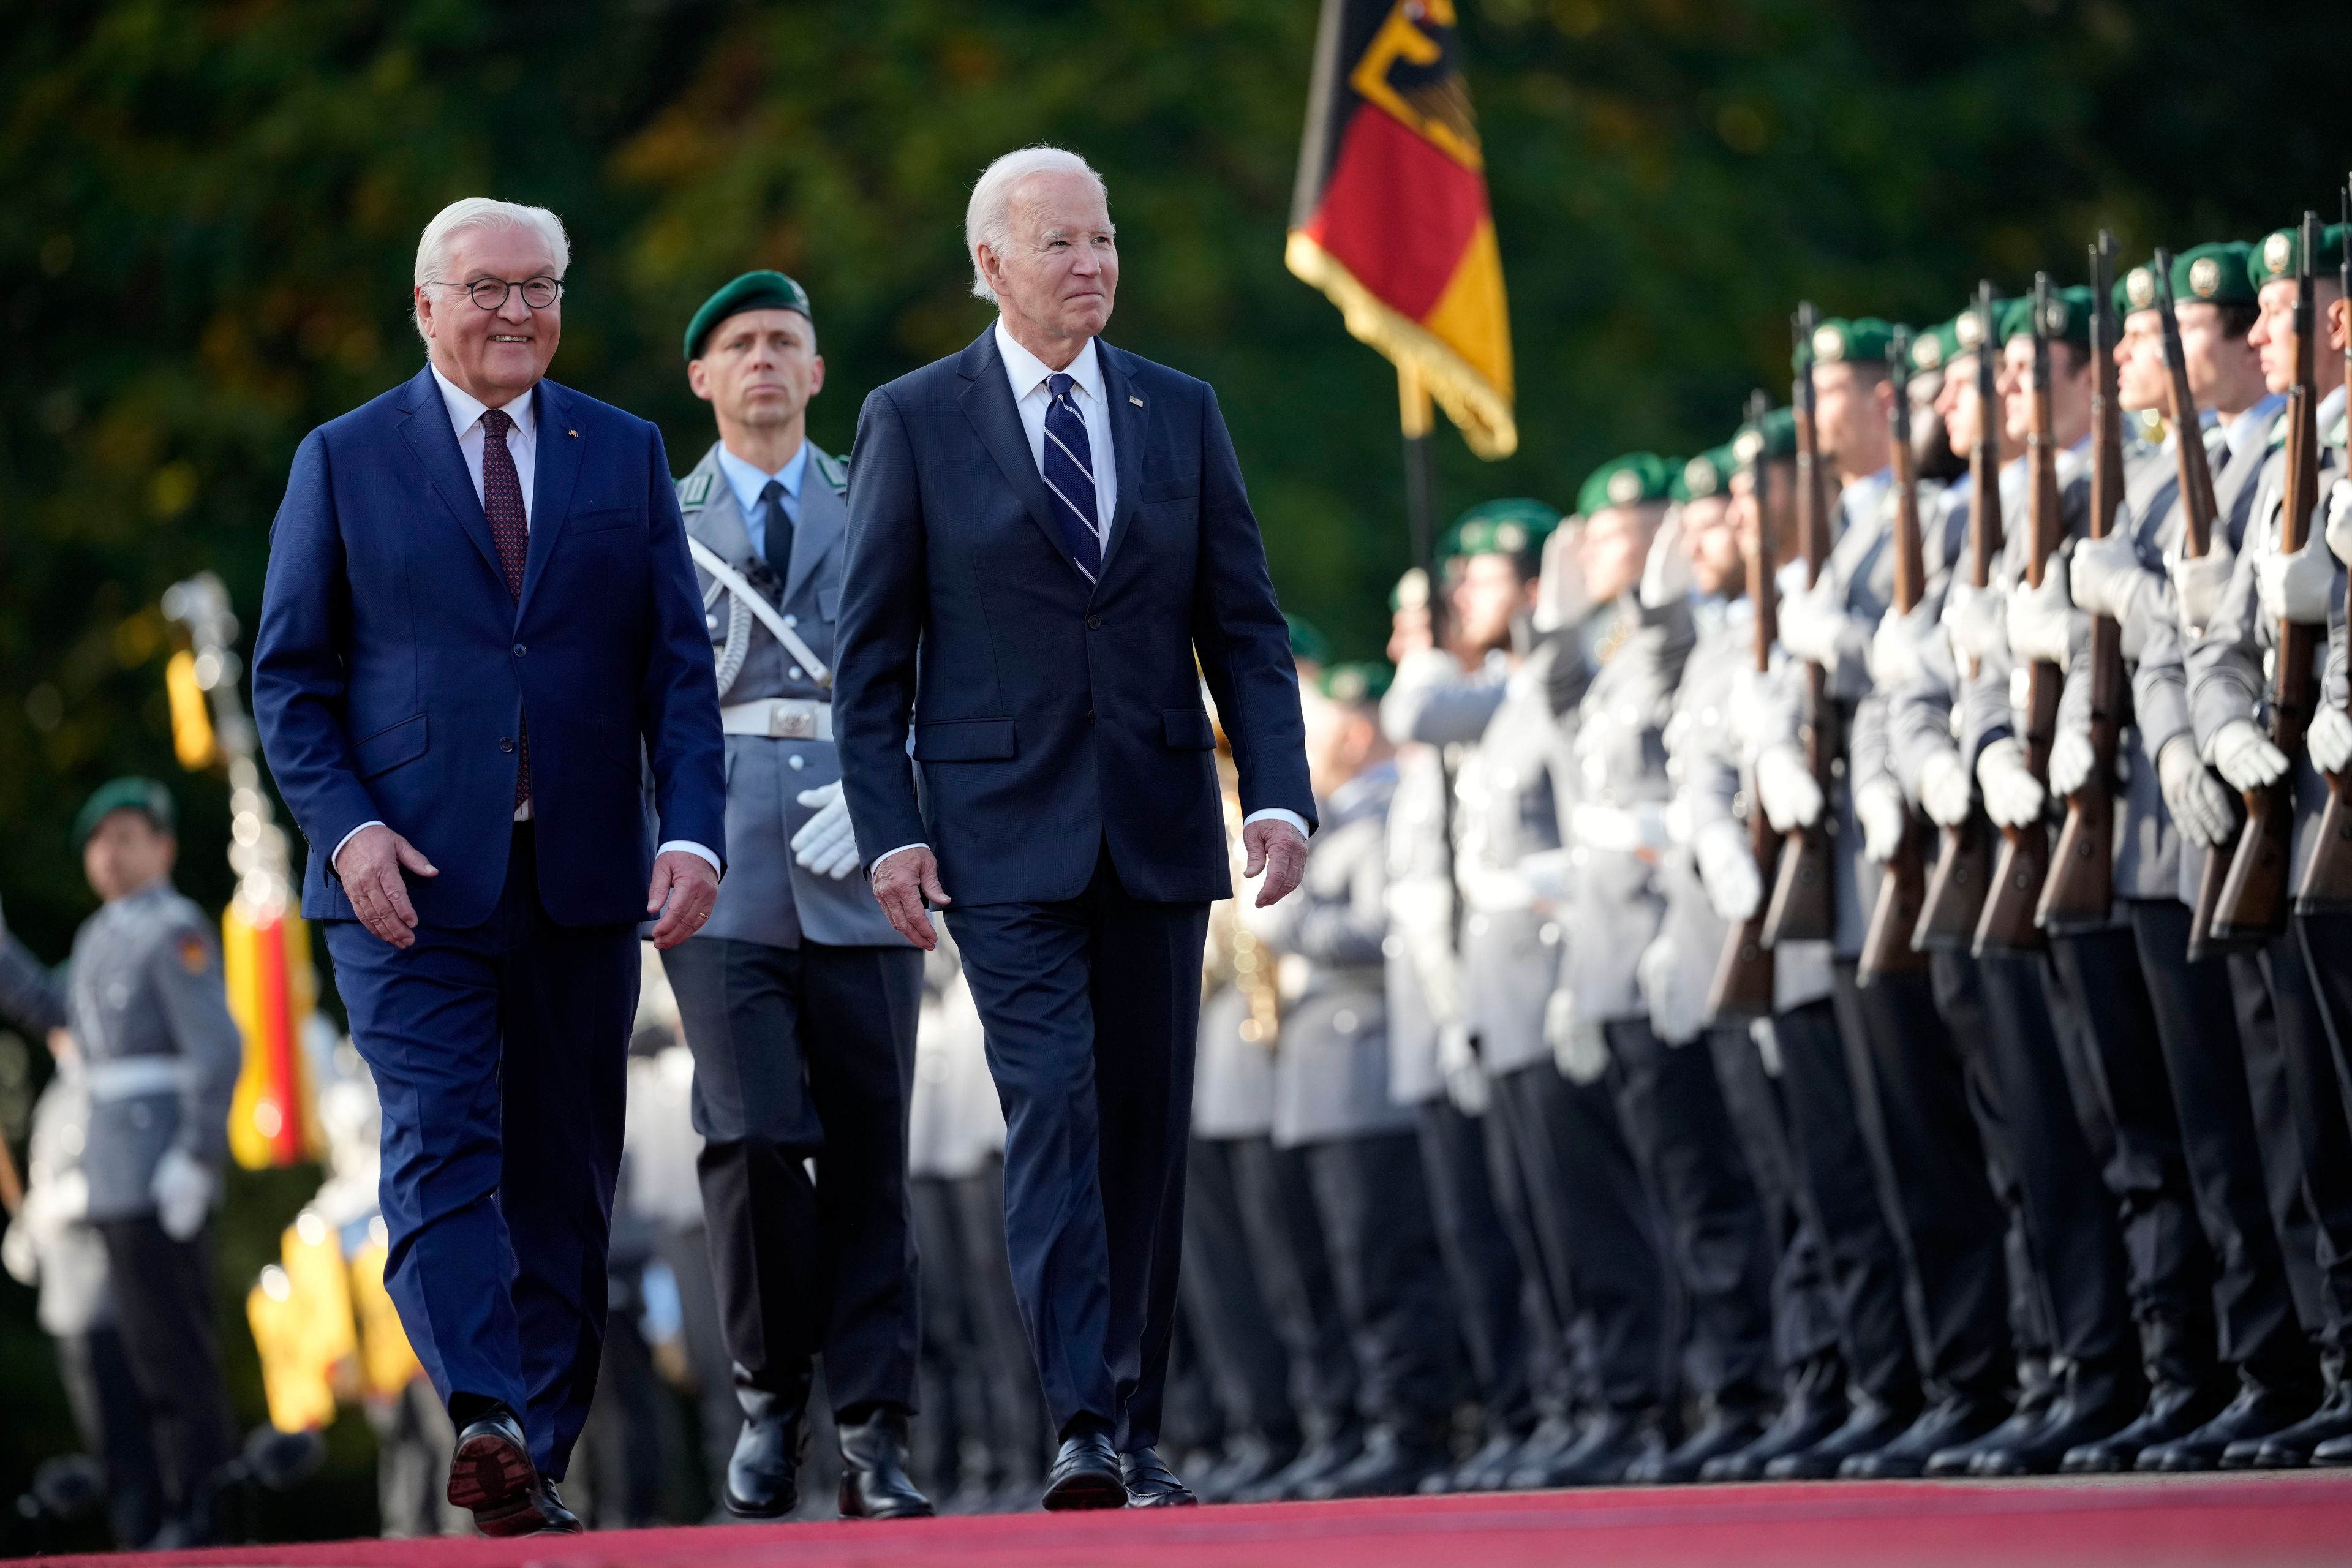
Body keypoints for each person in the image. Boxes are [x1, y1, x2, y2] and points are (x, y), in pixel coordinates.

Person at [833, 145, 1313, 1510]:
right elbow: (871, 660)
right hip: (996, 838)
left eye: (1105, 239)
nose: (1094, 264)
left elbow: (1246, 625)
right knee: (1053, 1105)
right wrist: (892, 828)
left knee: (1146, 1131)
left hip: (1160, 822)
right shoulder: (915, 418)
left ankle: (1140, 1425)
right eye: (1062, 244)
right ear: (991, 263)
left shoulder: (1182, 407)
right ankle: (1083, 1423)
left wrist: (1273, 790)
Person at [252, 196, 727, 1536]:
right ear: (425, 303)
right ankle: (483, 1408)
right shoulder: (344, 459)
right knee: (440, 1144)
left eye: (540, 287)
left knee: (567, 1173)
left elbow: (677, 673)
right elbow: (290, 681)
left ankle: (535, 1452)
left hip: (581, 871)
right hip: (402, 880)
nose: (516, 311)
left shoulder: (620, 451)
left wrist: (691, 828)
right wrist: (346, 830)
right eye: (486, 289)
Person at [662, 270, 930, 1520]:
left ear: (818, 374)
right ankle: (773, 1393)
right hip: (717, 854)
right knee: (753, 1129)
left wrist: (895, 797)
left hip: (864, 846)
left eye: (785, 342)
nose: (764, 359)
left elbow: (951, 668)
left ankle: (877, 1429)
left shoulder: (881, 494)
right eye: (739, 345)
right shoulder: (661, 519)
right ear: (703, 378)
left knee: (874, 1144)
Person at [0, 781, 241, 1547]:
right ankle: (178, 1509)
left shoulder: (174, 931)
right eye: (99, 842)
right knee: (139, 1355)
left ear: (163, 847)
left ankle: (208, 1505)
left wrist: (197, 1156)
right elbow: (51, 1010)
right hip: (112, 1168)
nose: (109, 853)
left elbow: (218, 1049)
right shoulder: (103, 935)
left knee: (175, 1355)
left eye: (127, 836)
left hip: (158, 1160)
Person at [1253, 661, 1458, 1498]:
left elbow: (1376, 931)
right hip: (1315, 1075)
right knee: (1335, 1268)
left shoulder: (1375, 815)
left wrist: (1291, 921)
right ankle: (1368, 1423)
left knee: (1385, 1262)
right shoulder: (1332, 818)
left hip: (1362, 1062)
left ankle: (1413, 1425)